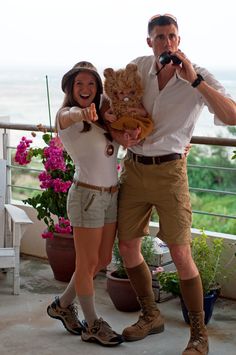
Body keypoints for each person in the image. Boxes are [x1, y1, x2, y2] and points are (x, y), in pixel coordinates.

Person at [106, 14, 236, 355]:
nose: (167, 42)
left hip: (170, 173)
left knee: (181, 253)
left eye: (172, 36)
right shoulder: (137, 67)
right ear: (150, 42)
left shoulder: (198, 75)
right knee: (129, 247)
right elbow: (110, 103)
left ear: (180, 40)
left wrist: (195, 82)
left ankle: (198, 335)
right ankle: (151, 316)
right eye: (160, 37)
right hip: (134, 169)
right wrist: (121, 133)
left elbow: (231, 116)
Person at [46, 61, 124, 347]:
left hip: (111, 195)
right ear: (70, 87)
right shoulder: (67, 115)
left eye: (91, 84)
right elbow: (70, 116)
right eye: (79, 83)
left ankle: (62, 304)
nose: (85, 89)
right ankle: (92, 325)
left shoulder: (104, 119)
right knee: (87, 262)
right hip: (87, 197)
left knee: (101, 261)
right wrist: (83, 112)